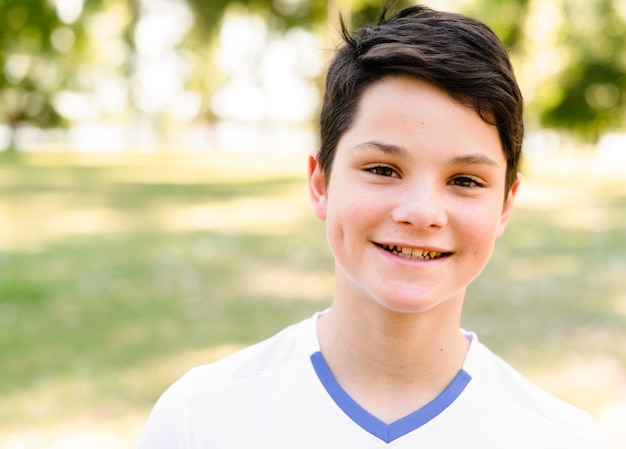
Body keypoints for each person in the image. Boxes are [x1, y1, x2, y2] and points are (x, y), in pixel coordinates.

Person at [138, 4, 606, 448]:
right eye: (383, 169)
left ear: (505, 205)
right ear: (320, 183)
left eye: (465, 180)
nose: (422, 212)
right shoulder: (199, 420)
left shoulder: (562, 439)